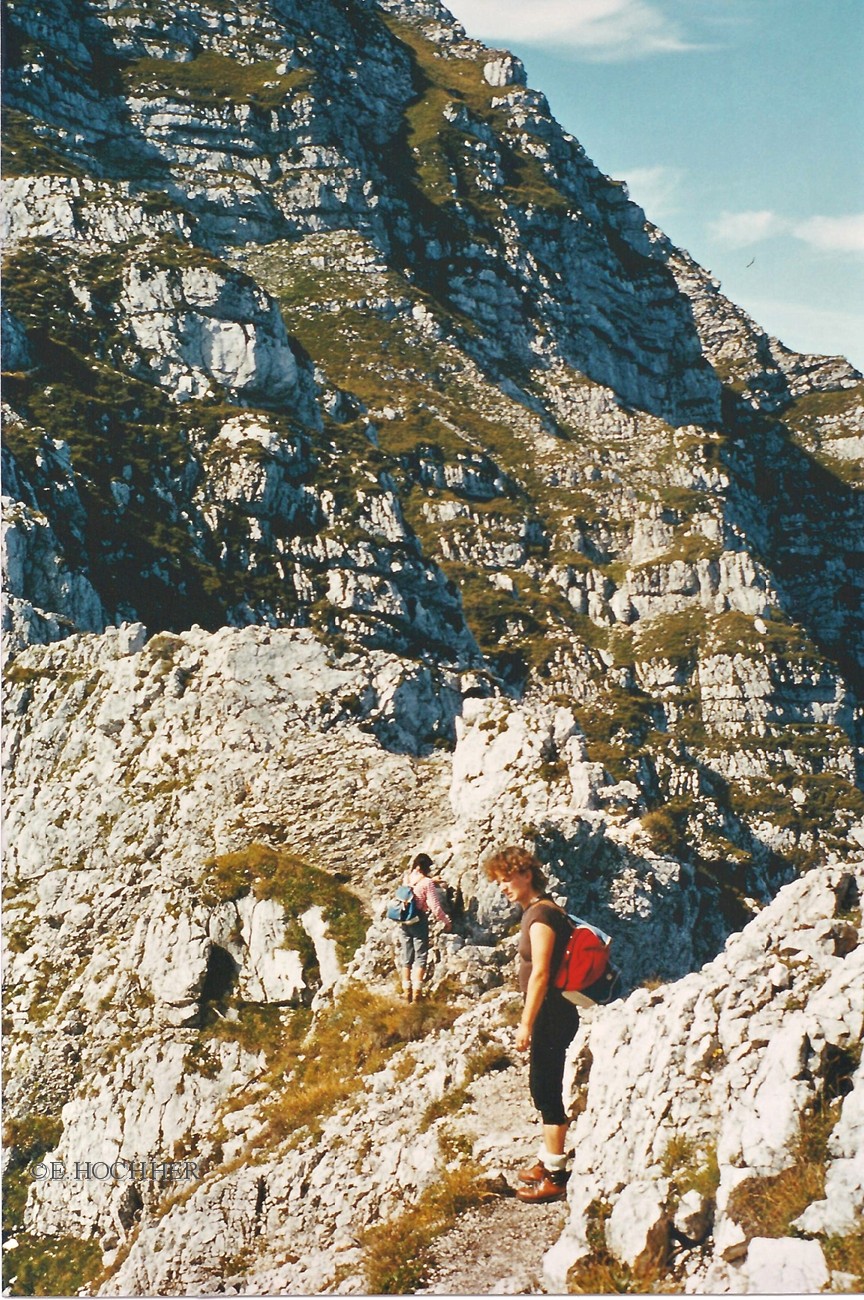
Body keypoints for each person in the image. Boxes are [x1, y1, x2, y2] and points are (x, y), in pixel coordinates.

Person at [484, 844, 579, 1203]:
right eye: (499, 882)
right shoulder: (541, 910)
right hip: (552, 1013)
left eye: (507, 879)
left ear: (526, 874)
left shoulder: (540, 916)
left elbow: (540, 972)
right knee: (542, 1087)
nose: (503, 887)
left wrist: (526, 1023)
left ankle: (555, 1175)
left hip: (550, 1016)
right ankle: (547, 1158)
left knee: (547, 1089)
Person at [399, 852, 451, 1002]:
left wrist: (432, 881)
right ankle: (417, 994)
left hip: (404, 920)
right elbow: (435, 907)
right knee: (421, 956)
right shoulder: (427, 883)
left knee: (407, 956)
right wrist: (446, 921)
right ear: (427, 867)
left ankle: (406, 991)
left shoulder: (407, 878)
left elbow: (413, 891)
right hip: (418, 920)